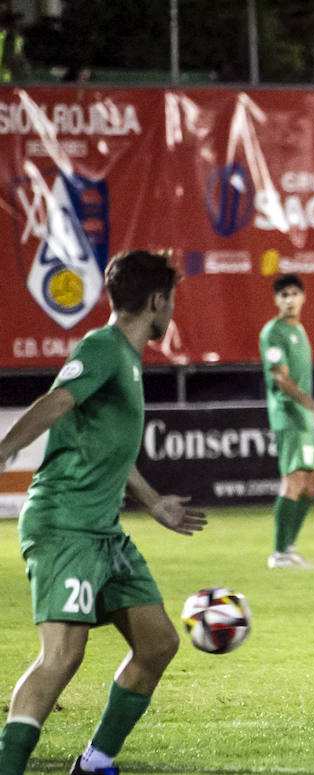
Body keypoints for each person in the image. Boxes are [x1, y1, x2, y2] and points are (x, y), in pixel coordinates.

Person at [0, 250, 208, 774]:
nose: (173, 310)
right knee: (62, 656)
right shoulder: (102, 347)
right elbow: (56, 401)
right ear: (157, 300)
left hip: (103, 533)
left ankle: (94, 763)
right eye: (172, 299)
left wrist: (153, 501)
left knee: (158, 642)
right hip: (65, 524)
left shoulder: (127, 360)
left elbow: (110, 447)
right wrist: (2, 452)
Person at [260, 273, 314, 570]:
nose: (289, 300)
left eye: (294, 293)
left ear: (304, 297)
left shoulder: (300, 330)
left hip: (303, 416)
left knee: (313, 486)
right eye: (283, 295)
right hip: (288, 415)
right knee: (294, 481)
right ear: (276, 300)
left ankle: (289, 549)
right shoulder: (273, 332)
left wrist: (311, 410)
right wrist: (313, 406)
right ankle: (279, 554)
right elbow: (280, 379)